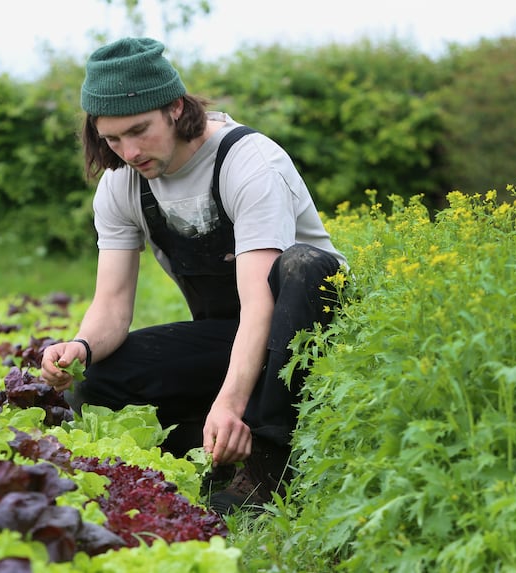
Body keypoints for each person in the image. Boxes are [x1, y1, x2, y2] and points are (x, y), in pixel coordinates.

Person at [40, 37, 347, 515]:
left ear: (176, 109)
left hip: (311, 339)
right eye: (113, 139)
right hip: (234, 336)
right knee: (99, 378)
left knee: (303, 266)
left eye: (139, 130)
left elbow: (261, 305)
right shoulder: (121, 186)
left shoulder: (248, 163)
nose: (130, 150)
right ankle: (215, 456)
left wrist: (228, 401)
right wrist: (79, 347)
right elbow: (112, 307)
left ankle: (271, 468)